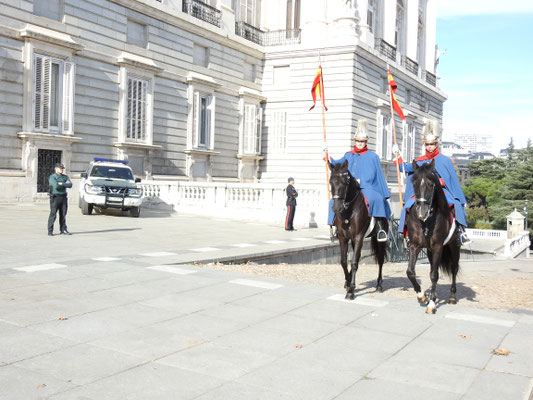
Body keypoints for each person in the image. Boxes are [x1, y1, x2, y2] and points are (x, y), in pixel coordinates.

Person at [394, 120, 471, 245]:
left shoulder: (445, 160)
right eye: (427, 144)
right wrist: (397, 156)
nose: (429, 147)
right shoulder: (419, 160)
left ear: (436, 144)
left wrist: (441, 182)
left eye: (432, 144)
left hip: (441, 190)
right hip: (423, 192)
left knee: (454, 204)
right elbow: (403, 168)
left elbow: (452, 179)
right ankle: (407, 233)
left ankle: (461, 232)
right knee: (407, 206)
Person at [328, 120, 391, 241]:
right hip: (350, 187)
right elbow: (337, 163)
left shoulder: (373, 156)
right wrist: (328, 157)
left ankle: (380, 228)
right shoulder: (348, 154)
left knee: (375, 199)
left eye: (362, 141)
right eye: (358, 141)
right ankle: (335, 226)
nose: (360, 144)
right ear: (354, 141)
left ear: (366, 142)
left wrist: (381, 191)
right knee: (333, 201)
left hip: (367, 186)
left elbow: (378, 174)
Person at [48, 162, 72, 236]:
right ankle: (50, 231)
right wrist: (64, 184)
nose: (61, 170)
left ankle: (63, 229)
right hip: (55, 197)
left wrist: (62, 184)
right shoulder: (53, 177)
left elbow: (70, 185)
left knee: (63, 214)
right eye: (60, 168)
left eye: (62, 168)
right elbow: (56, 186)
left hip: (63, 197)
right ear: (56, 169)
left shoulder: (65, 177)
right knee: (53, 214)